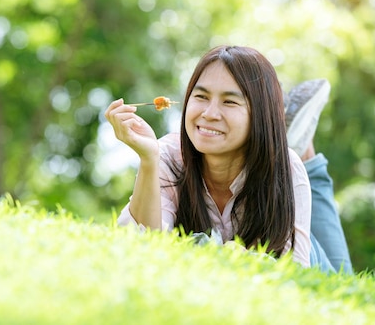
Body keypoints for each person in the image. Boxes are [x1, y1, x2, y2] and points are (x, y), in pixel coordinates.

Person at [105, 45, 352, 273]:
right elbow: (143, 245)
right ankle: (302, 145)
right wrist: (149, 159)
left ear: (261, 115)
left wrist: (244, 259)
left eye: (229, 102)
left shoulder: (287, 168)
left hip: (309, 251)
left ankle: (305, 153)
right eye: (201, 97)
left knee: (344, 278)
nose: (209, 114)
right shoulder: (168, 154)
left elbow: (295, 273)